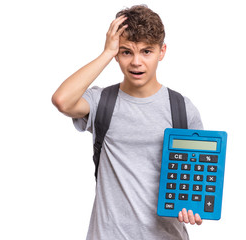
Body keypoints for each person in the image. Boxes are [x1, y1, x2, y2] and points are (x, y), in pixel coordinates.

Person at [52, 5, 203, 240]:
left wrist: (194, 207)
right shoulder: (102, 101)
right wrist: (105, 53)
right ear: (116, 54)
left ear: (162, 51)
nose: (136, 62)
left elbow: (196, 178)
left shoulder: (181, 109)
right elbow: (62, 100)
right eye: (126, 52)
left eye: (146, 51)